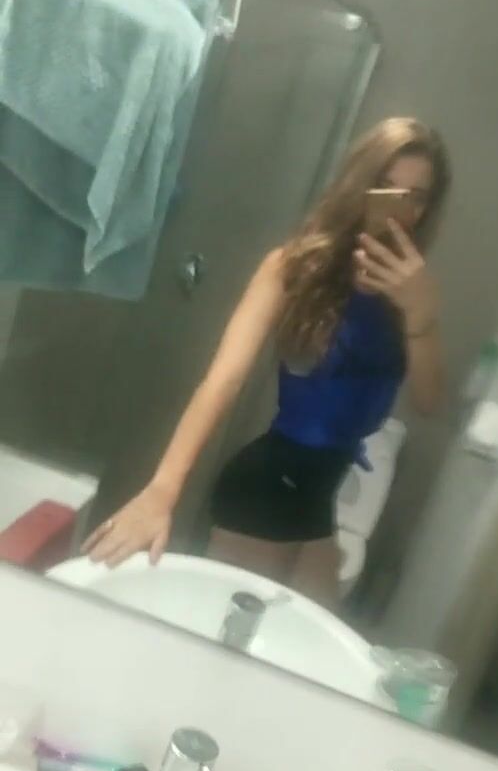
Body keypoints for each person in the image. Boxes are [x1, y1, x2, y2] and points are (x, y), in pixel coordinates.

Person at [84, 116, 450, 608]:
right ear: (360, 183)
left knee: (306, 639)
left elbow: (429, 403)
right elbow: (224, 379)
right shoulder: (294, 266)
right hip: (266, 488)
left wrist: (421, 317)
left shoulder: (411, 293)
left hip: (317, 496)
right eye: (386, 186)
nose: (400, 207)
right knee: (228, 639)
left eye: (416, 197)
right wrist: (162, 491)